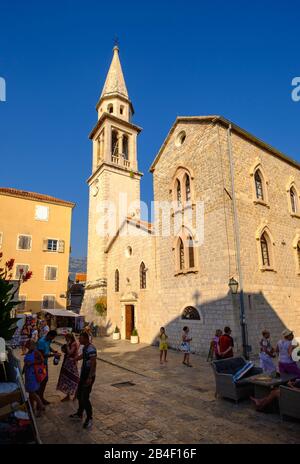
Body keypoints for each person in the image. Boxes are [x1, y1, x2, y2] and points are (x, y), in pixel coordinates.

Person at [69, 331, 97, 429]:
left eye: (80, 338)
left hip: (89, 375)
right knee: (80, 395)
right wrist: (75, 359)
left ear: (85, 338)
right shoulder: (85, 347)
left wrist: (90, 377)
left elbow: (94, 363)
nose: (79, 340)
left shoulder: (91, 349)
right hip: (83, 374)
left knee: (85, 397)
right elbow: (83, 356)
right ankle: (79, 413)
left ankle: (89, 418)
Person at [36, 330, 60, 405]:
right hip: (40, 364)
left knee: (44, 380)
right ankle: (38, 398)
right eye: (52, 337)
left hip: (44, 363)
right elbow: (42, 355)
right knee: (42, 380)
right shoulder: (41, 342)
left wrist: (54, 351)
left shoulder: (48, 340)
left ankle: (40, 397)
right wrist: (54, 355)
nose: (52, 339)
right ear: (49, 335)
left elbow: (48, 346)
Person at [23, 340, 45, 417]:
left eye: (28, 345)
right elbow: (26, 363)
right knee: (30, 393)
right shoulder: (29, 352)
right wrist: (22, 371)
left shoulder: (36, 352)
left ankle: (41, 406)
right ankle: (32, 410)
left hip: (33, 374)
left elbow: (42, 360)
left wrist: (32, 363)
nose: (27, 346)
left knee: (32, 392)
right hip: (28, 374)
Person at [56, 333, 80, 401]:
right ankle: (68, 395)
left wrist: (67, 346)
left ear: (69, 338)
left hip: (71, 363)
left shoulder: (74, 344)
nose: (65, 339)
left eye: (66, 338)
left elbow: (70, 352)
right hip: (67, 362)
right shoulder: (71, 343)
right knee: (68, 379)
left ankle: (76, 394)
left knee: (74, 378)